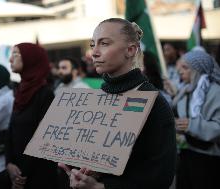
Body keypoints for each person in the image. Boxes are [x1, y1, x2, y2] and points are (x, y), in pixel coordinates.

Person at [59, 18, 176, 189]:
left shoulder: (153, 103)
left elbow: (160, 176)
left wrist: (101, 187)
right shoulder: (97, 99)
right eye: (93, 45)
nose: (94, 52)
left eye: (104, 44)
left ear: (130, 50)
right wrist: (83, 173)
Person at [6, 42, 58, 189]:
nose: (11, 60)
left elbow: (42, 137)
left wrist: (21, 175)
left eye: (16, 54)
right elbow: (11, 129)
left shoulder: (45, 94)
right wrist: (9, 163)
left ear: (31, 59)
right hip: (16, 171)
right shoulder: (21, 91)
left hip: (37, 174)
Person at [173, 50, 220, 189]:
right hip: (187, 154)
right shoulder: (186, 90)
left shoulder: (216, 92)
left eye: (185, 68)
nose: (180, 72)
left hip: (209, 159)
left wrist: (191, 125)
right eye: (180, 68)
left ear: (198, 70)